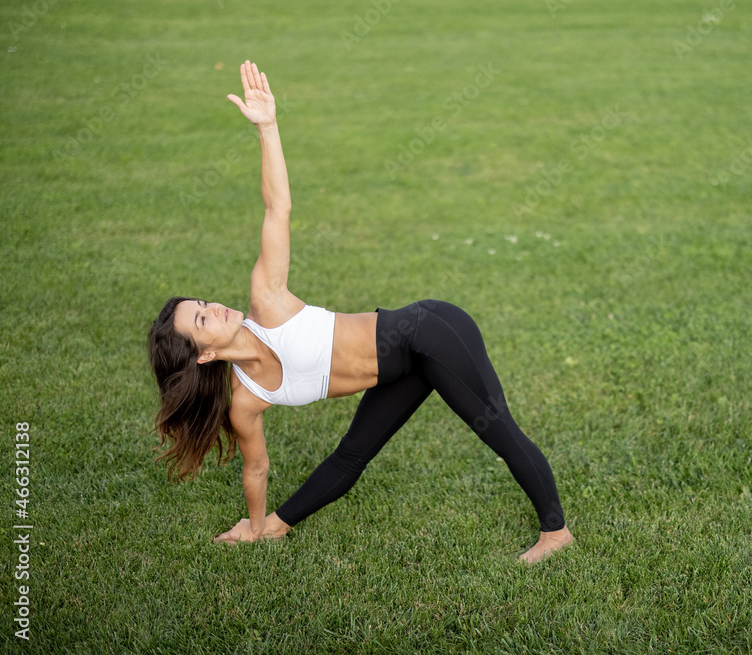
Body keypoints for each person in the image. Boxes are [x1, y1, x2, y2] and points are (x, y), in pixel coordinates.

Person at [147, 61, 573, 563]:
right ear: (202, 357)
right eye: (201, 320)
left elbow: (276, 206)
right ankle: (278, 528)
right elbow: (255, 468)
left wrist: (268, 127)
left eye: (201, 304)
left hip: (428, 331)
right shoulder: (245, 400)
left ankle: (556, 532)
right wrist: (257, 523)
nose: (212, 307)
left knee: (495, 425)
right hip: (399, 366)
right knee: (351, 455)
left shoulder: (267, 298)